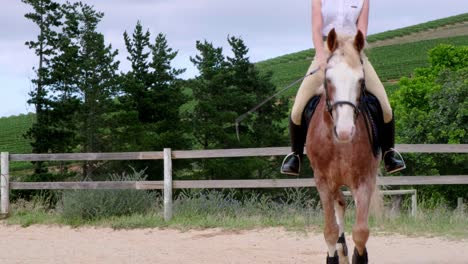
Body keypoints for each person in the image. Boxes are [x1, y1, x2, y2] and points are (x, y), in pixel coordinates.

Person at [281, 0, 406, 175]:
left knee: (385, 107)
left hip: (353, 52)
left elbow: (361, 30)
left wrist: (356, 51)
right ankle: (295, 156)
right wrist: (320, 55)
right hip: (326, 50)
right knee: (297, 110)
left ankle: (389, 154)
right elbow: (317, 29)